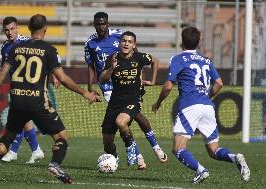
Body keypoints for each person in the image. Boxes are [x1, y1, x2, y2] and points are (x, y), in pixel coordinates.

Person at [0, 14, 99, 183]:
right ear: (45, 29)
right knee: (62, 137)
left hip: (17, 101)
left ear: (28, 29)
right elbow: (64, 79)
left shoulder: (16, 48)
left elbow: (2, 73)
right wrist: (85, 93)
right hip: (37, 101)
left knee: (7, 138)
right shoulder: (48, 49)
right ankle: (54, 164)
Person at [152, 26, 250, 183]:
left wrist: (157, 103)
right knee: (214, 150)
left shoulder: (178, 59)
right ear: (198, 43)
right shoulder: (205, 60)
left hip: (189, 106)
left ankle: (200, 170)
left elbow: (168, 86)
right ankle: (235, 157)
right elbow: (219, 83)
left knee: (178, 149)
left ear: (181, 41)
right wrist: (206, 95)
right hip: (207, 106)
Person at [84, 12, 167, 169]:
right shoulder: (91, 43)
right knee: (118, 127)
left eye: (104, 23)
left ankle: (142, 154)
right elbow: (91, 65)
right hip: (109, 86)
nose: (101, 26)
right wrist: (90, 87)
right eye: (98, 24)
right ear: (94, 24)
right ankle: (133, 155)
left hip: (131, 87)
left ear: (108, 23)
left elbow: (137, 58)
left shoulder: (119, 36)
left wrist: (139, 77)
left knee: (130, 117)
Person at [0, 16, 46, 164]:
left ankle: (13, 151)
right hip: (16, 87)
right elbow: (4, 68)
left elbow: (47, 56)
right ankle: (36, 150)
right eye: (6, 30)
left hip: (29, 86)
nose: (9, 32)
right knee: (23, 119)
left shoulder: (27, 42)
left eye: (12, 29)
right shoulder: (5, 46)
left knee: (19, 117)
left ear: (17, 27)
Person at [99, 31, 160, 169]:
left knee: (121, 122)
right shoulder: (112, 58)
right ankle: (113, 161)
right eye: (124, 41)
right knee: (107, 142)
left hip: (132, 100)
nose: (126, 43)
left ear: (134, 45)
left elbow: (155, 61)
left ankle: (130, 148)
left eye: (130, 42)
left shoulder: (140, 57)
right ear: (120, 42)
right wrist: (111, 68)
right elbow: (103, 79)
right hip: (115, 102)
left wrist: (153, 80)